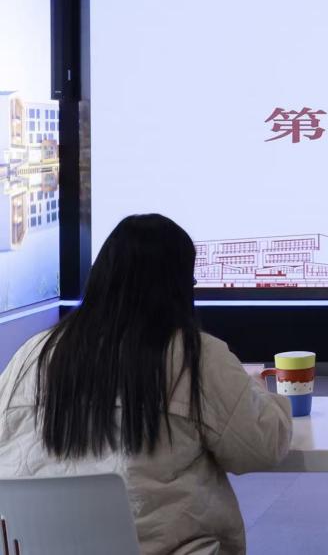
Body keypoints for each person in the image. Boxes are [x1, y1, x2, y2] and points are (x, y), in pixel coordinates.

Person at [0, 214, 292, 555]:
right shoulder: (195, 356)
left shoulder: (33, 354)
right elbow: (263, 447)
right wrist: (257, 391)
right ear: (177, 287)